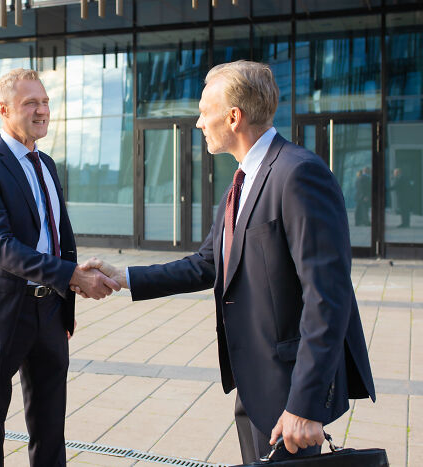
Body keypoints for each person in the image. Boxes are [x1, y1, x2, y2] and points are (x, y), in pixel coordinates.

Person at [77, 60, 376, 464]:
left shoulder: (299, 174)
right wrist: (125, 277)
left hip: (290, 395)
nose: (199, 122)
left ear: (233, 117)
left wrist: (305, 404)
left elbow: (328, 298)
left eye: (204, 111)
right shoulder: (242, 181)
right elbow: (206, 264)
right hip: (252, 385)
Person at [0, 68, 119, 466]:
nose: (42, 110)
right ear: (4, 109)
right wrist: (70, 276)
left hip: (48, 313)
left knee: (50, 431)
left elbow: (59, 236)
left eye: (45, 101)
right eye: (31, 103)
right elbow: (0, 246)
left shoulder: (46, 163)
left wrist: (71, 286)